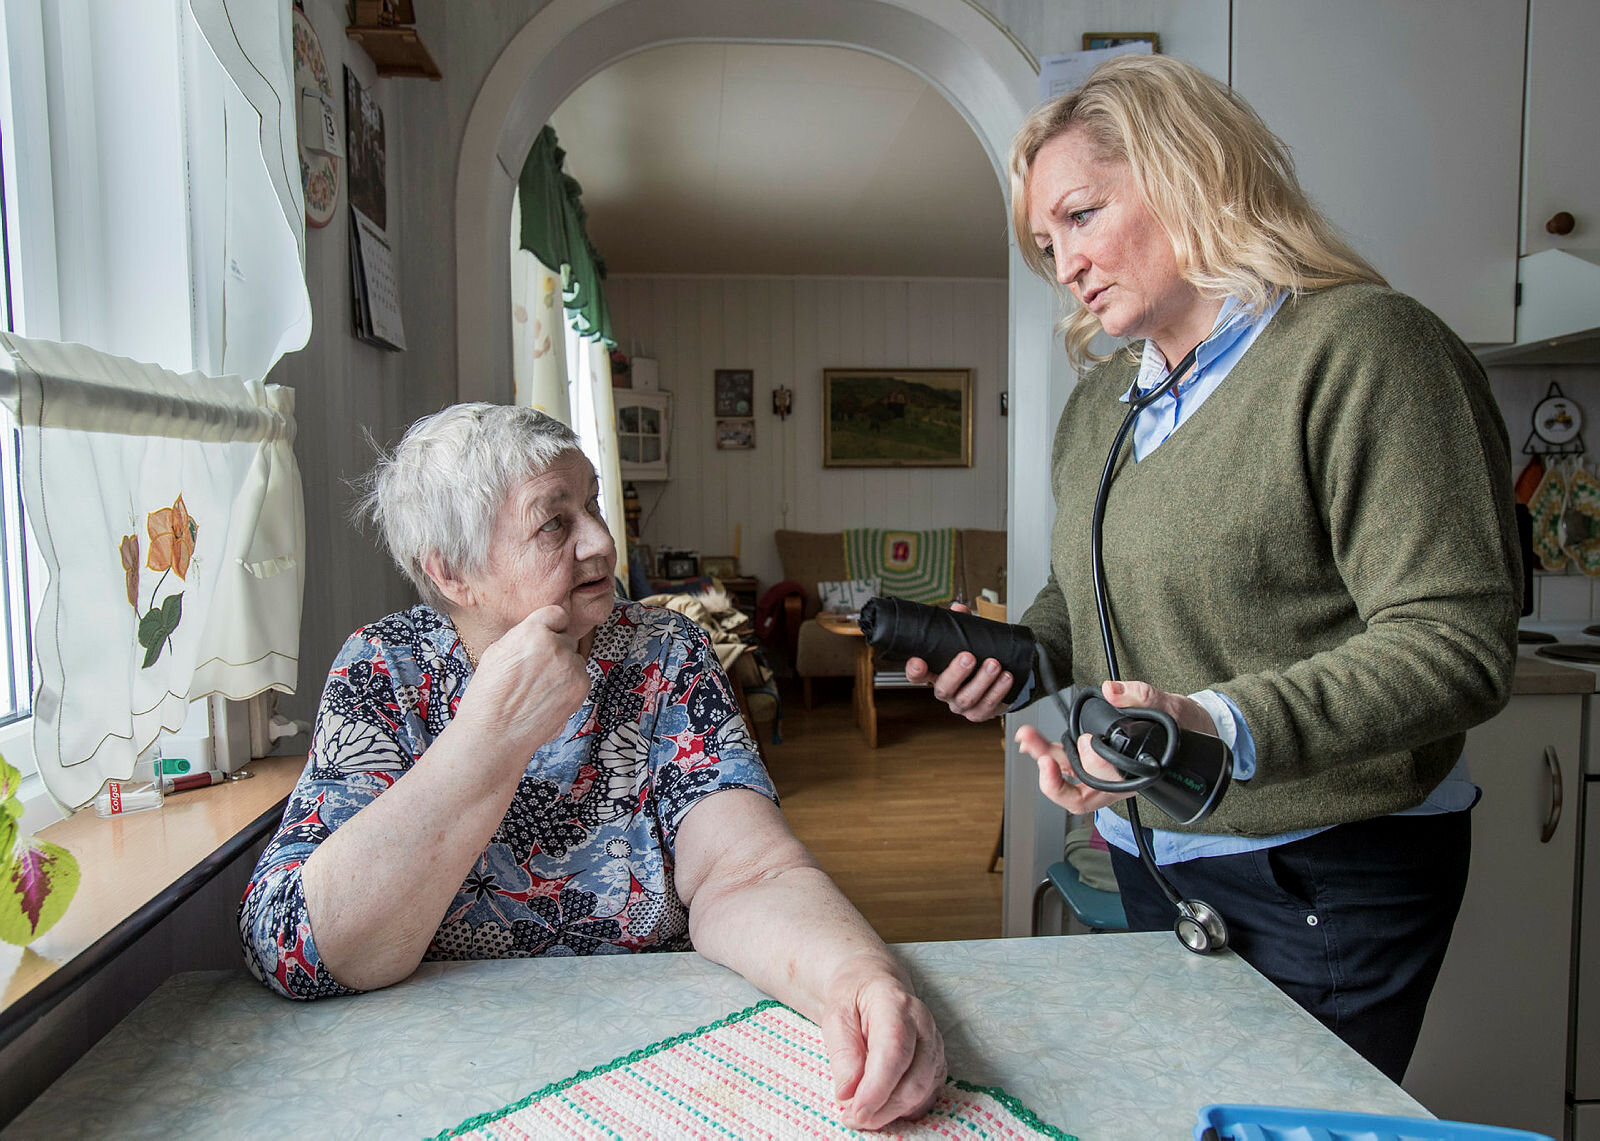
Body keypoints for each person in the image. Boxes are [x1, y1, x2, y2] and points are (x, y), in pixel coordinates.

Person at [906, 53, 1518, 1083]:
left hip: (1326, 865)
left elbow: (1455, 642)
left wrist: (1213, 728)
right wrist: (1023, 659)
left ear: (1191, 170)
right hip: (1161, 853)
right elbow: (1084, 598)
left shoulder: (1365, 349)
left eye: (1083, 215)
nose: (1064, 263)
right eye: (1045, 242)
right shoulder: (1102, 406)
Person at [239, 403, 944, 1129]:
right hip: (433, 1083)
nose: (603, 541)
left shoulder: (663, 652)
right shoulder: (382, 669)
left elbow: (749, 873)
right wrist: (487, 741)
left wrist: (855, 979)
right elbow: (297, 945)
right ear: (453, 572)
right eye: (555, 522)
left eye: (594, 503)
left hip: (664, 1071)